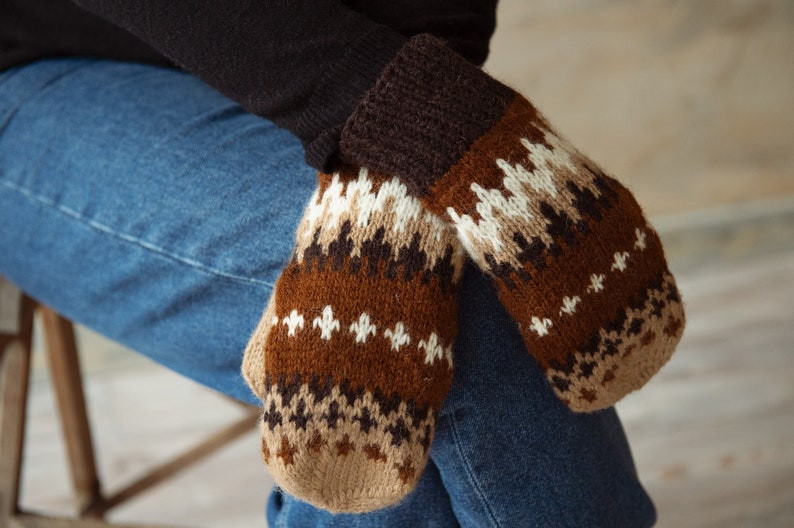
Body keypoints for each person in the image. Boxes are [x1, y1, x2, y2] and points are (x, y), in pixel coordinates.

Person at [0, 1, 684, 526]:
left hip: (313, 51)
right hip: (36, 67)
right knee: (394, 307)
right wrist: (427, 119)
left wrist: (400, 133)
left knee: (399, 291)